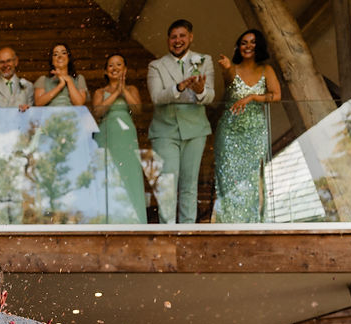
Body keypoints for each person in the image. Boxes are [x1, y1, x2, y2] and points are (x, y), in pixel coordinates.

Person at [147, 19, 215, 224]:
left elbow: (210, 95)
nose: (178, 40)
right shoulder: (156, 65)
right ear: (168, 40)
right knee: (167, 183)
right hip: (165, 130)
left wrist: (200, 91)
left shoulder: (204, 60)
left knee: (189, 183)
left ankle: (188, 230)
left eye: (182, 36)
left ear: (191, 37)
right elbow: (156, 97)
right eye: (173, 37)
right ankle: (167, 230)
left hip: (195, 129)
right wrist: (178, 88)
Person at [213, 29, 281, 223]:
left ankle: (252, 224)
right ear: (238, 47)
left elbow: (276, 95)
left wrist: (252, 97)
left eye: (252, 42)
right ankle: (227, 226)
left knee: (252, 179)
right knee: (227, 180)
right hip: (229, 132)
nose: (248, 46)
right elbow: (229, 83)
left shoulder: (266, 70)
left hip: (254, 132)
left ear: (259, 46)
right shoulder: (232, 69)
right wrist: (227, 68)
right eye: (244, 43)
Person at [92, 53, 147, 223]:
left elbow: (137, 110)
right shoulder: (100, 92)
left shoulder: (132, 89)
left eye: (118, 64)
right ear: (105, 71)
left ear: (125, 69)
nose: (114, 68)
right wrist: (116, 93)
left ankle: (134, 221)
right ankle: (107, 221)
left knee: (129, 174)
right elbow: (98, 112)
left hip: (126, 137)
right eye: (110, 65)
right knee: (107, 175)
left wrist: (123, 90)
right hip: (106, 136)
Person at [0, 47, 33, 113]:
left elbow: (32, 113)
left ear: (16, 62)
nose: (5, 65)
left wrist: (28, 110)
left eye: (8, 61)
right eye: (1, 62)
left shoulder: (28, 86)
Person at [34, 43, 88, 107]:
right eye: (55, 54)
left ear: (68, 58)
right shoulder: (43, 80)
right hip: (49, 113)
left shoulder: (79, 79)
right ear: (52, 61)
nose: (60, 56)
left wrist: (69, 80)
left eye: (64, 53)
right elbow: (38, 103)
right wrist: (61, 85)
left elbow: (79, 103)